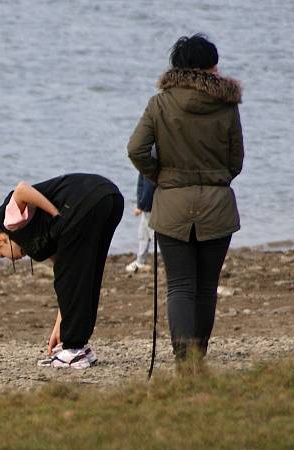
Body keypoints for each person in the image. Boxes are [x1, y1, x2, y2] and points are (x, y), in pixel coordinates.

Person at [127, 34, 244, 363]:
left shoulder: (159, 103)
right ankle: (198, 358)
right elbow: (236, 161)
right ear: (211, 67)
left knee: (179, 286)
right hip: (217, 205)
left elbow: (135, 150)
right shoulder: (227, 106)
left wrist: (161, 177)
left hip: (172, 205)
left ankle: (183, 362)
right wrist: (216, 180)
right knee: (206, 287)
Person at [0, 174, 123, 369]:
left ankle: (74, 349)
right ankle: (80, 348)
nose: (10, 259)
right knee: (86, 275)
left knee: (73, 276)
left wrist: (55, 214)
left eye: (3, 255)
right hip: (108, 199)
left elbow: (21, 189)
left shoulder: (9, 220)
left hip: (85, 202)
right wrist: (59, 327)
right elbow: (68, 281)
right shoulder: (39, 241)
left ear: (1, 239)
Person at [125, 173, 155, 273]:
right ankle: (140, 262)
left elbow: (148, 185)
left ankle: (141, 262)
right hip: (148, 206)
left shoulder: (148, 162)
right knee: (143, 234)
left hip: (150, 207)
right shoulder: (145, 164)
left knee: (152, 234)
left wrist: (141, 206)